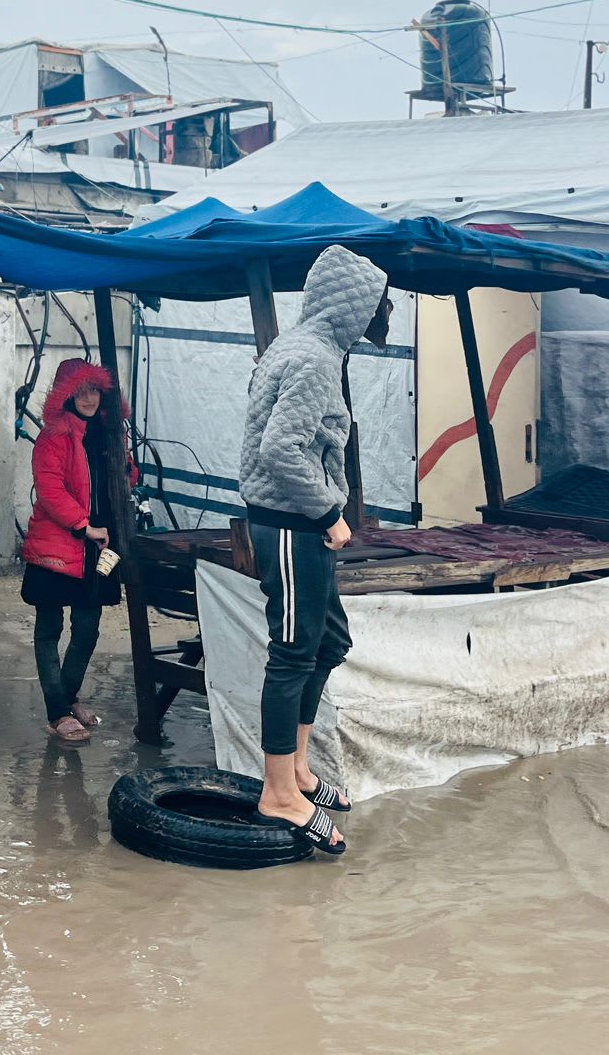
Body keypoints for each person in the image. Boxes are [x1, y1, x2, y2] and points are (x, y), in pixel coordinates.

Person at [239, 245, 390, 856]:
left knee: (329, 640)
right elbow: (281, 449)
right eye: (380, 306)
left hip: (299, 522)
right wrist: (329, 514)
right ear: (353, 306)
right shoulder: (313, 360)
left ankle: (298, 769)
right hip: (291, 523)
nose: (384, 316)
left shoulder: (308, 349)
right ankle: (278, 790)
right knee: (295, 651)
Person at [22, 358, 129, 745]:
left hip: (98, 545)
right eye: (80, 390)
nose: (88, 398)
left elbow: (125, 477)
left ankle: (66, 699)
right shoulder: (54, 436)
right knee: (49, 628)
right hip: (59, 542)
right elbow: (50, 490)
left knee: (87, 629)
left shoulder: (107, 432)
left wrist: (124, 460)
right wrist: (83, 526)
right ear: (66, 394)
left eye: (94, 390)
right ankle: (58, 712)